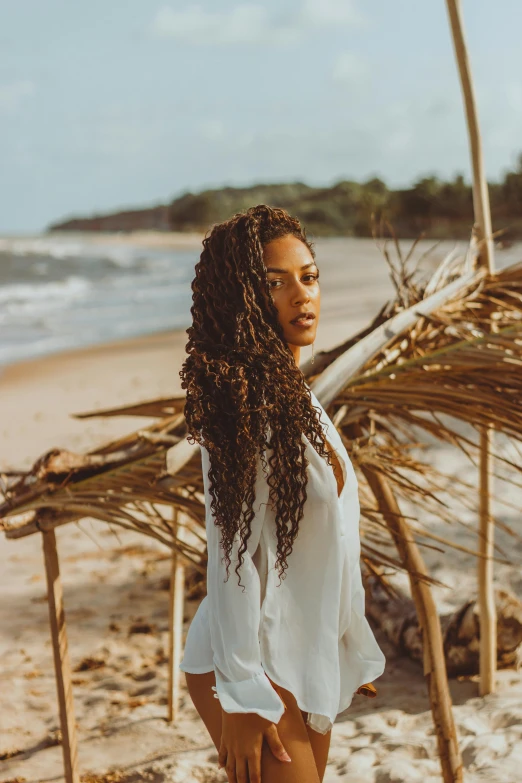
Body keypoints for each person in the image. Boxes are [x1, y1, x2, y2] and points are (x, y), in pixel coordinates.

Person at [178, 205, 386, 783]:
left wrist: (348, 634)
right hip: (251, 660)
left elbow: (336, 535)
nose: (301, 295)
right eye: (275, 283)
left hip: (306, 651)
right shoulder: (241, 409)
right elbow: (232, 555)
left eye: (309, 276)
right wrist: (243, 692)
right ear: (241, 297)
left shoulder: (297, 396)